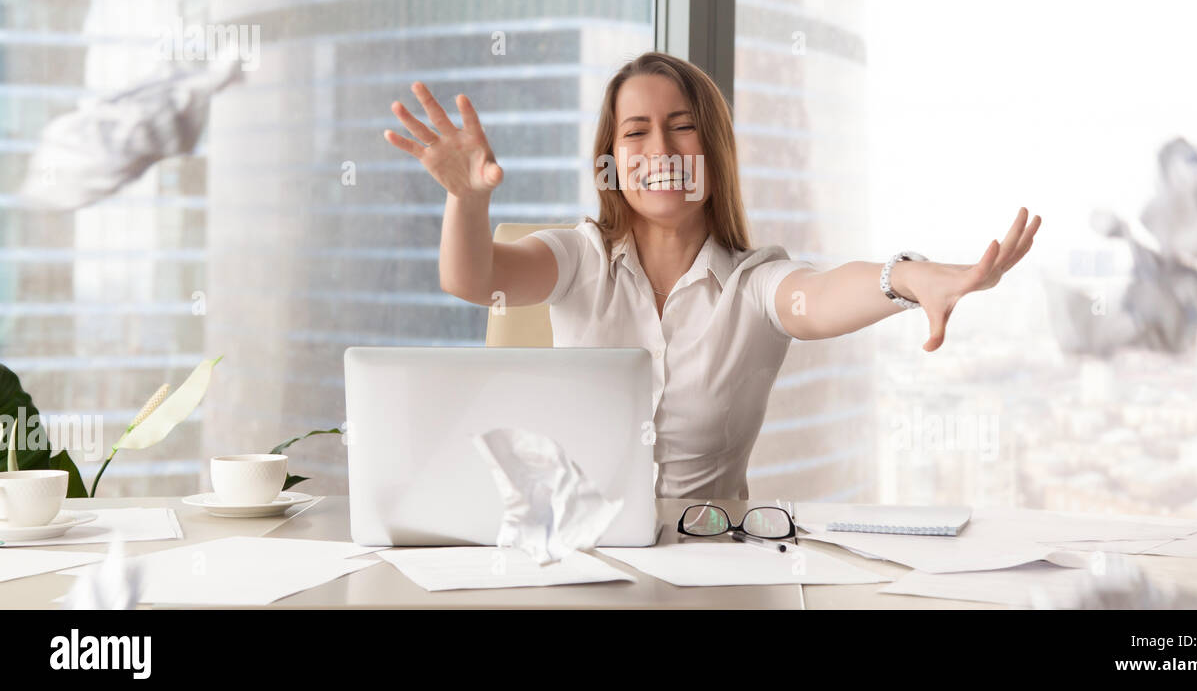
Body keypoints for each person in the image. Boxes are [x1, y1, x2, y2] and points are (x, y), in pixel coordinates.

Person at [384, 51, 1040, 499]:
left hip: (712, 568)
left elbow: (818, 297)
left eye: (682, 128)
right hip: (583, 555)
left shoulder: (754, 284)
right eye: (636, 133)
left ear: (713, 149)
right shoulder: (578, 257)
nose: (661, 151)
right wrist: (467, 200)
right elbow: (476, 280)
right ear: (611, 161)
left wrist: (908, 278)